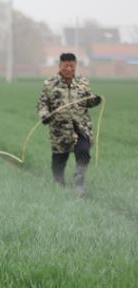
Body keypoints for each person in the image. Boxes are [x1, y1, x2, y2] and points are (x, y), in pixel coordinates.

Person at [37, 53, 102, 196]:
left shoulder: (82, 82)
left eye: (72, 65)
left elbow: (87, 100)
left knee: (84, 152)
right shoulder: (49, 84)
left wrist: (95, 100)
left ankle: (79, 185)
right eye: (66, 65)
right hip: (59, 130)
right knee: (60, 158)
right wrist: (44, 115)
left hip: (81, 127)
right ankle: (58, 185)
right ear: (60, 65)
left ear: (75, 65)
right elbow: (42, 105)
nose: (69, 69)